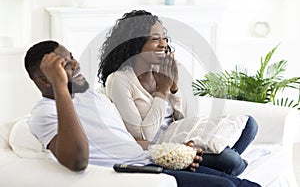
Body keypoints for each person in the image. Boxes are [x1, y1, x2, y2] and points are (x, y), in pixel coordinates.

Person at [24, 40, 261, 187]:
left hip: (150, 160)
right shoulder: (43, 113)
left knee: (240, 183)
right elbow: (77, 160)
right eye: (64, 65)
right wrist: (59, 86)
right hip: (134, 174)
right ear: (45, 79)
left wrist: (176, 150)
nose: (75, 65)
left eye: (72, 58)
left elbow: (125, 139)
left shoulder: (89, 96)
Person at [98, 10, 259, 176]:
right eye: (155, 39)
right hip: (162, 149)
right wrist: (162, 91)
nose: (163, 44)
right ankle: (226, 166)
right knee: (230, 161)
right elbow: (142, 136)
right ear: (135, 44)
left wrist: (174, 88)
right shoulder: (119, 80)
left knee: (250, 125)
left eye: (164, 38)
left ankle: (215, 166)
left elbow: (187, 120)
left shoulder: (162, 71)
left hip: (183, 138)